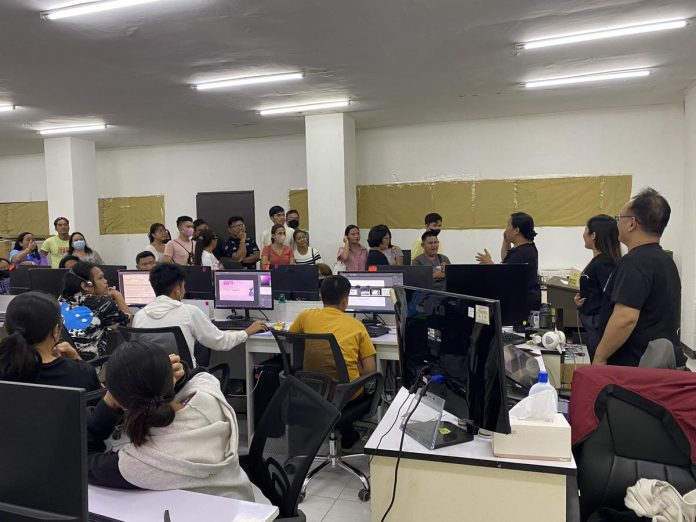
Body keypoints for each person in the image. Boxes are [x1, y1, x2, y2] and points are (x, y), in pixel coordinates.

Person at [86, 341, 254, 500]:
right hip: (242, 504)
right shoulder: (209, 398)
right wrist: (178, 375)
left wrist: (108, 403)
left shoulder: (139, 462)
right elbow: (201, 375)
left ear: (120, 402)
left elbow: (81, 459)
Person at [595, 188, 682, 367]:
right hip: (656, 363)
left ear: (632, 223)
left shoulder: (634, 263)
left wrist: (600, 356)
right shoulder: (665, 261)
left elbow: (625, 318)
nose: (617, 223)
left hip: (633, 366)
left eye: (619, 219)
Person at [288, 275, 377, 449]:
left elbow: (291, 338)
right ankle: (349, 434)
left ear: (321, 296)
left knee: (336, 382)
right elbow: (371, 369)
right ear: (345, 302)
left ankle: (345, 432)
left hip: (313, 391)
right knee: (358, 383)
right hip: (346, 395)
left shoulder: (305, 316)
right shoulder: (356, 326)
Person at [133, 264, 266, 366]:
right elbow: (220, 342)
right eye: (183, 287)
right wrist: (247, 332)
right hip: (182, 378)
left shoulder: (140, 316)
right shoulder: (189, 312)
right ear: (177, 290)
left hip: (149, 381)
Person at [0, 291, 100, 390]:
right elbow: (102, 401)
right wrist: (78, 360)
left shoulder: (6, 369)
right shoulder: (81, 374)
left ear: (8, 327)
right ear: (56, 330)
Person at [573, 215, 621, 361]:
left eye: (586, 230)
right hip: (591, 322)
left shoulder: (604, 263)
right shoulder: (599, 260)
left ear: (593, 235)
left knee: (599, 361)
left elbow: (610, 295)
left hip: (598, 325)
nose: (583, 234)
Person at [60, 262, 131, 360]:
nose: (106, 281)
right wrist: (118, 296)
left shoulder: (60, 301)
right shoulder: (102, 304)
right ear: (85, 286)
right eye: (100, 278)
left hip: (63, 365)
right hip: (88, 368)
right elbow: (129, 324)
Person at [476, 212, 541, 314]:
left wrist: (489, 263)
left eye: (508, 225)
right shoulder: (523, 247)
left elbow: (503, 275)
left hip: (522, 305)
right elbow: (505, 258)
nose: (505, 229)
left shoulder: (523, 253)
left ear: (516, 230)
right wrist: (506, 239)